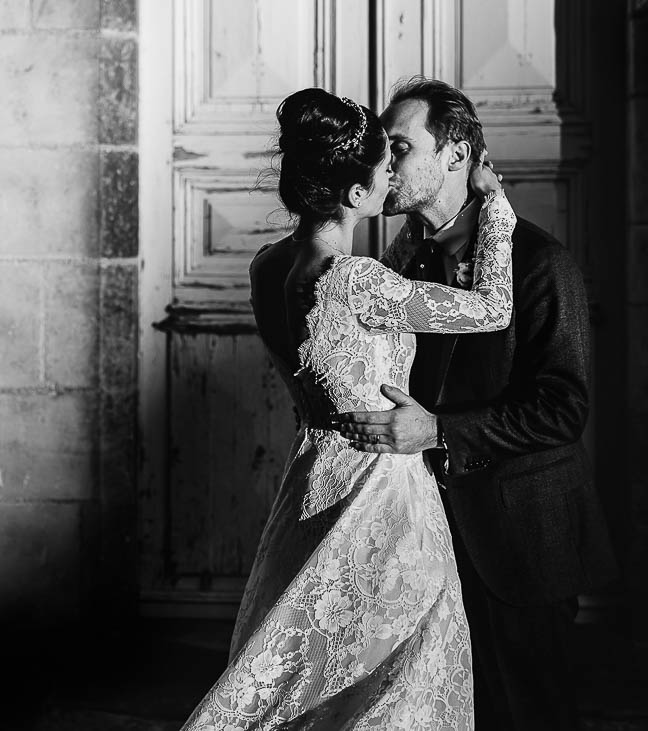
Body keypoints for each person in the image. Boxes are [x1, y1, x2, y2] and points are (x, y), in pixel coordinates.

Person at [182, 87, 512, 730]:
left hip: (313, 481)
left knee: (310, 674)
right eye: (385, 170)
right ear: (356, 196)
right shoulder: (357, 281)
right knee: (392, 683)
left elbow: (358, 315)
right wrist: (495, 204)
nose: (393, 179)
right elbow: (492, 308)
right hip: (378, 492)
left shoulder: (268, 266)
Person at [331, 77, 618, 730]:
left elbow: (561, 407)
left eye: (399, 146)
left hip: (518, 539)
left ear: (456, 153)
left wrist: (437, 430)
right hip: (426, 538)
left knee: (528, 714)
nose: (381, 164)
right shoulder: (401, 267)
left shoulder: (541, 263)